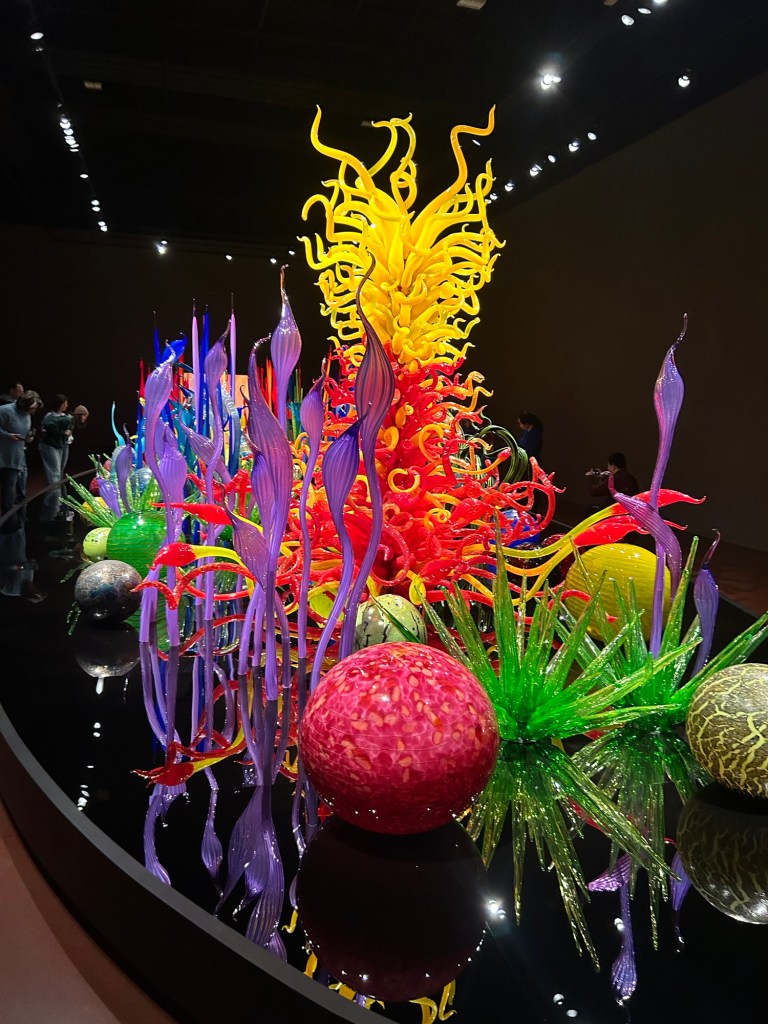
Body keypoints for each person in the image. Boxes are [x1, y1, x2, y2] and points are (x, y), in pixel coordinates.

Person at [0, 390, 42, 528]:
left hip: (17, 455)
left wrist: (29, 437)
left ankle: (11, 519)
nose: (32, 411)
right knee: (8, 487)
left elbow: (23, 435)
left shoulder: (27, 415)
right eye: (32, 408)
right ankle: (8, 521)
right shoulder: (5, 410)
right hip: (4, 454)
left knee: (13, 488)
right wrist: (7, 435)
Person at [39, 394, 75, 522]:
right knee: (54, 476)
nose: (66, 405)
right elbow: (48, 427)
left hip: (62, 445)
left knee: (59, 474)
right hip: (50, 446)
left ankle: (60, 506)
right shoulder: (50, 417)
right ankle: (52, 511)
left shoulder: (66, 416)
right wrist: (63, 432)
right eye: (64, 403)